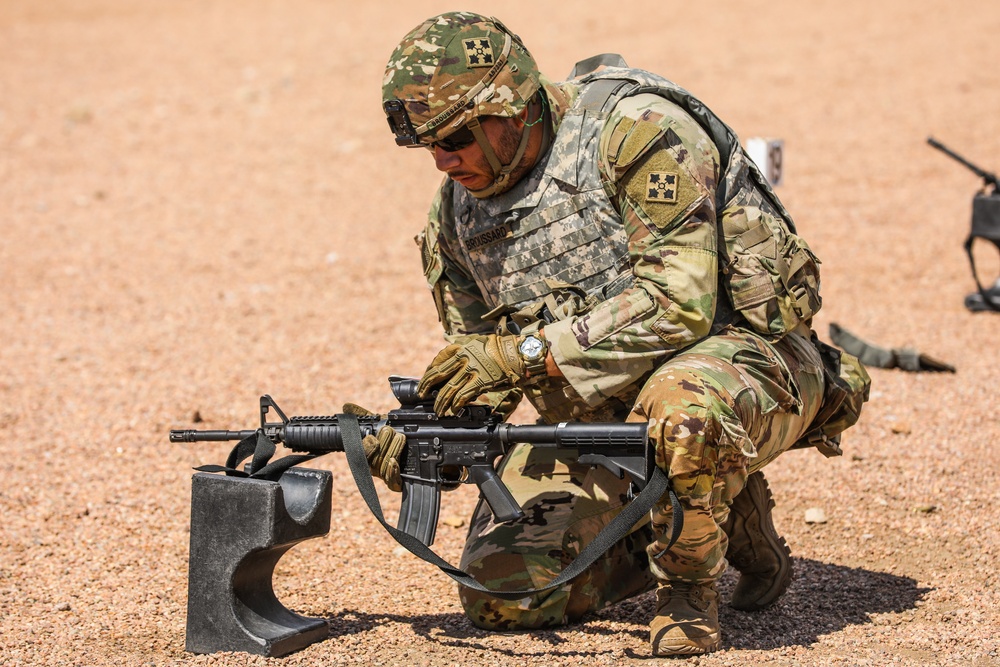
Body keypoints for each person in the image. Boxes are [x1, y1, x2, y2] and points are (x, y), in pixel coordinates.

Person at [372, 11, 870, 656]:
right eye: (429, 146)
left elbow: (680, 303)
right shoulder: (457, 215)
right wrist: (425, 436)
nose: (443, 159)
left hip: (744, 363)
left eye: (457, 137)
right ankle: (704, 511)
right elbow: (481, 362)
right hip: (599, 420)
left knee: (683, 413)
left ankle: (688, 587)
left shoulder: (635, 133)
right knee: (507, 598)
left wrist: (525, 353)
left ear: (512, 106)